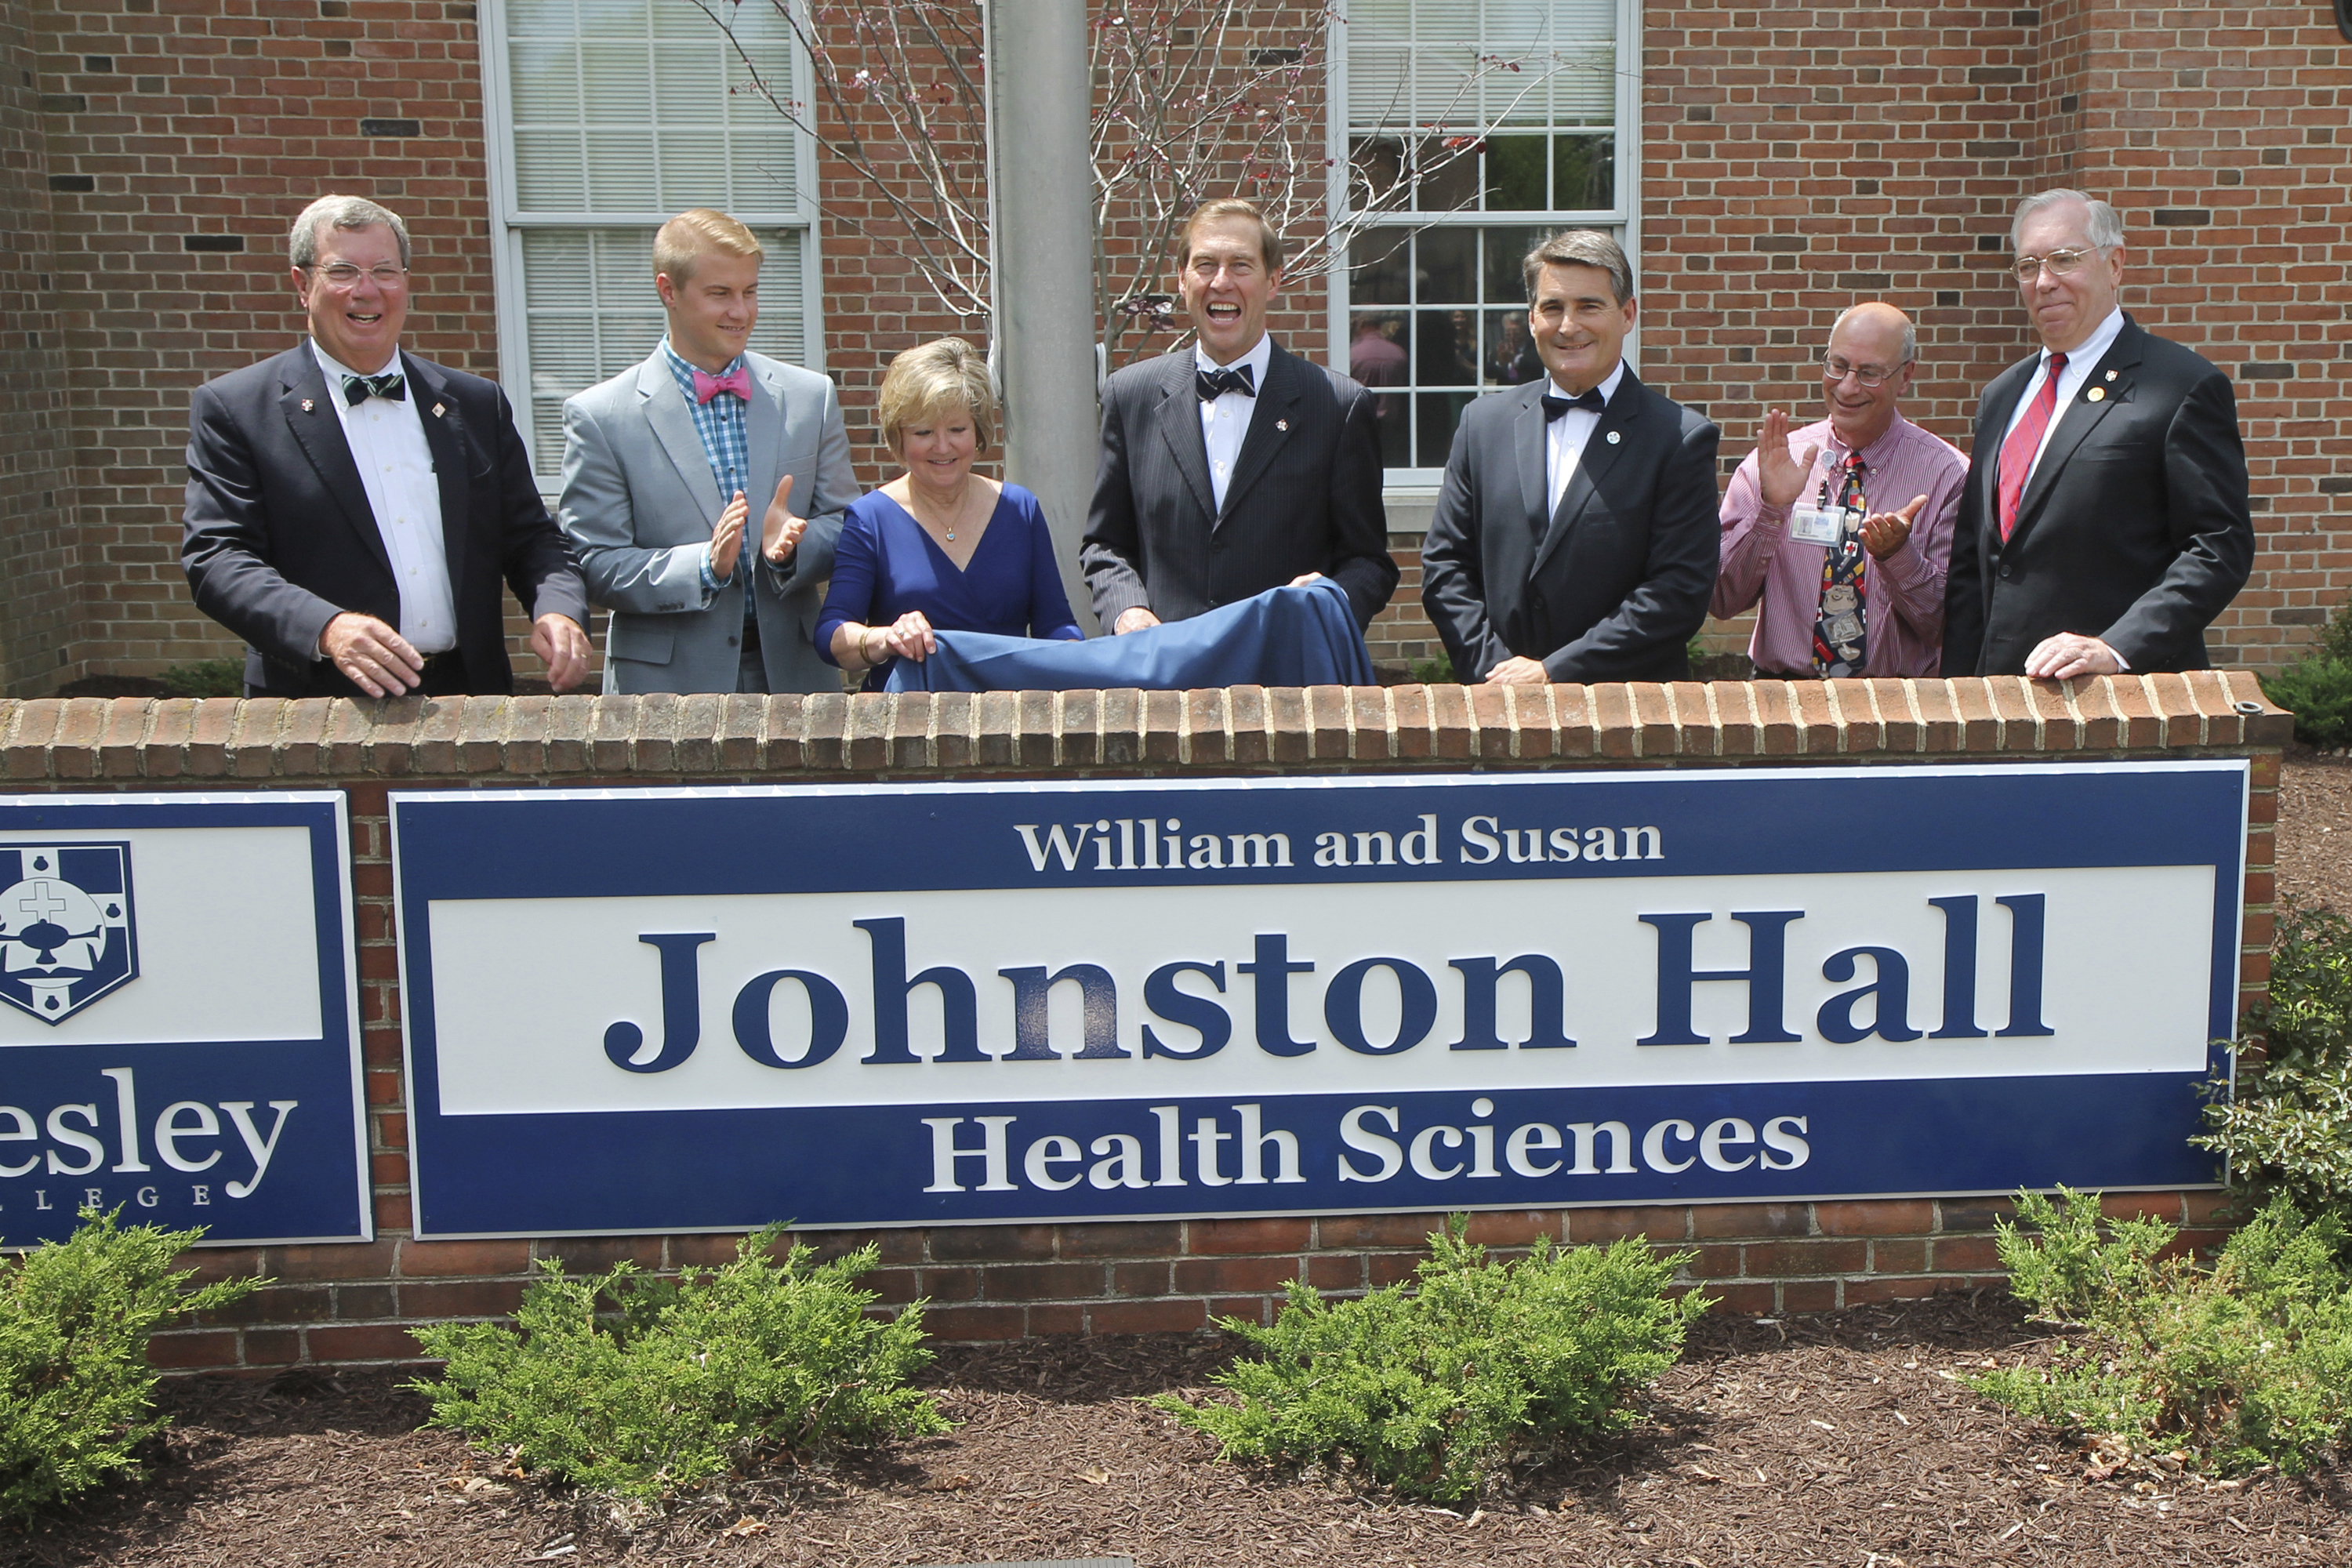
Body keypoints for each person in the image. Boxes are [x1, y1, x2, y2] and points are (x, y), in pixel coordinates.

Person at [182, 195, 590, 698]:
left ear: (407, 282)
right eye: (343, 271)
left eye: (385, 271)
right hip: (318, 705)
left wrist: (558, 607)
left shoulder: (474, 403)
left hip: (470, 700)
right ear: (302, 285)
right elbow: (217, 558)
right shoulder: (237, 408)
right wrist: (326, 629)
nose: (367, 290)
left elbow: (531, 537)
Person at [1943, 190, 2254, 677]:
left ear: (2115, 264)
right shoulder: (2001, 396)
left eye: (2064, 260)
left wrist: (2116, 648)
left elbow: (2219, 547)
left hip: (2117, 703)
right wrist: (1958, 697)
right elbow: (1972, 564)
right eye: (2028, 266)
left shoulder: (2182, 386)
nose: (2044, 282)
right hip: (1998, 700)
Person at [557, 209, 858, 694]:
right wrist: (701, 567)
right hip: (663, 688)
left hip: (794, 676)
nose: (740, 311)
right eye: (720, 294)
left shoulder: (810, 397)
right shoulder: (601, 416)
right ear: (668, 291)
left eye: (750, 292)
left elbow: (846, 523)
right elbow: (595, 562)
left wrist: (792, 551)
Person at [1081, 198, 1397, 634]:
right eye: (1206, 264)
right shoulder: (1129, 395)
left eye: (1241, 266)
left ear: (1273, 282)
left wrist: (1330, 601)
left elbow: (1369, 563)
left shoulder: (1338, 406)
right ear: (1182, 280)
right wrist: (1127, 611)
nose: (1221, 281)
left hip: (1288, 682)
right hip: (1164, 677)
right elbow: (1106, 544)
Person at [1419, 230, 1719, 684]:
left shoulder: (1679, 438)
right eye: (1553, 307)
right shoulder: (1482, 425)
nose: (1568, 326)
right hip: (1497, 708)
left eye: (1589, 306)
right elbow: (1446, 568)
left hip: (1625, 720)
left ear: (1628, 314)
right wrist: (1495, 674)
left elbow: (1677, 592)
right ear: (1532, 317)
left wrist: (1552, 673)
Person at [1713, 303, 1966, 677]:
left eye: (1869, 373)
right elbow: (1722, 599)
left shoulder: (1949, 475)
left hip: (1897, 709)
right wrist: (1771, 512)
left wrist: (1898, 556)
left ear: (1906, 375)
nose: (1848, 387)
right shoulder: (1776, 461)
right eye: (1838, 366)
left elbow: (1945, 626)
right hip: (1782, 698)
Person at [815, 338, 1081, 689]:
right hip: (907, 721)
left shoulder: (1020, 509)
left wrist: (1077, 654)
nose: (943, 447)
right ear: (900, 438)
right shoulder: (870, 518)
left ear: (978, 431)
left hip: (1009, 716)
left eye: (957, 430)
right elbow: (831, 633)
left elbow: (1055, 623)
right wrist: (885, 638)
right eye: (924, 432)